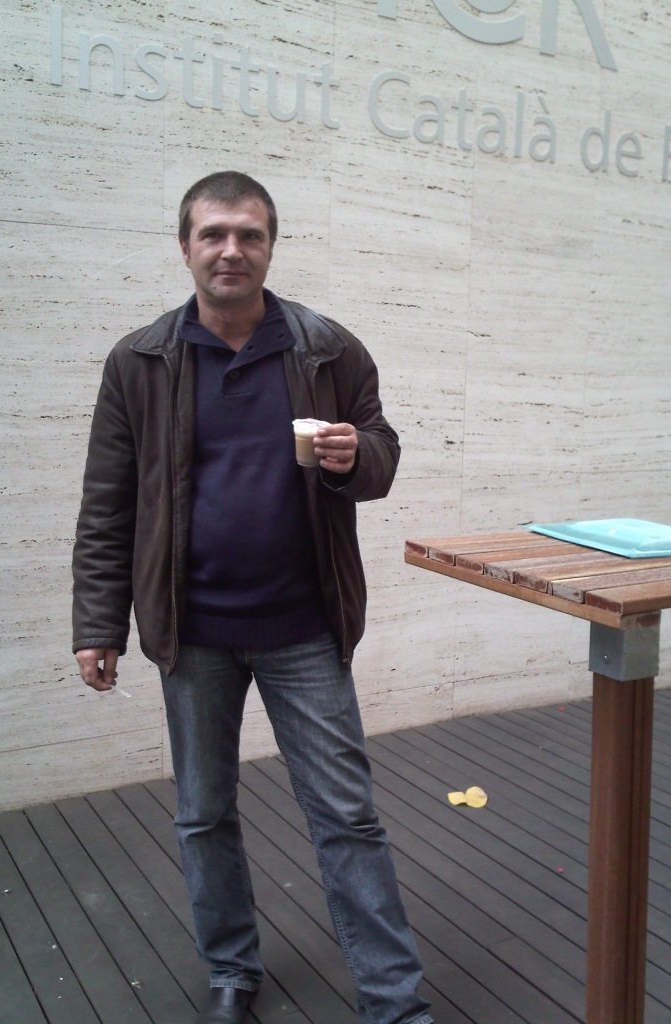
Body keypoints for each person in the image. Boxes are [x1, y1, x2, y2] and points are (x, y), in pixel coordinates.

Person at [72, 171, 434, 1024]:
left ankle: (393, 1001)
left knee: (346, 815)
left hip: (303, 626)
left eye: (249, 235)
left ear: (270, 247)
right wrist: (98, 623)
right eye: (214, 234)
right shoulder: (139, 361)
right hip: (191, 630)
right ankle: (232, 970)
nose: (231, 250)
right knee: (203, 815)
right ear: (185, 247)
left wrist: (356, 457)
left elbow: (381, 448)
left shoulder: (326, 349)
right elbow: (108, 503)